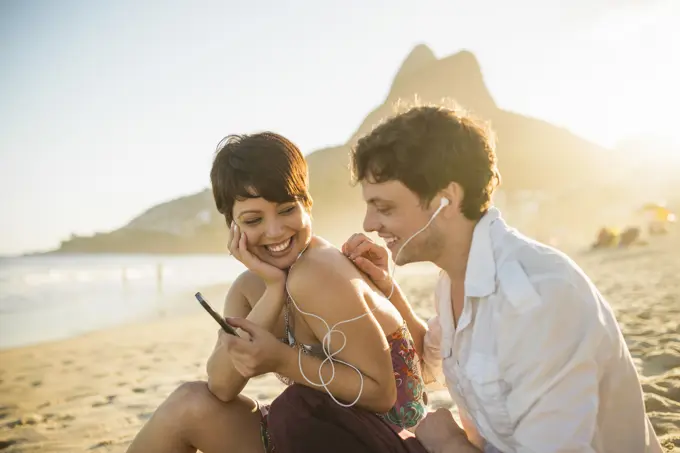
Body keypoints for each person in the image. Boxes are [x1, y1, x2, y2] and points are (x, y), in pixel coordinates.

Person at [269, 104, 663, 453]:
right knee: (306, 413)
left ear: (447, 199)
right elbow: (431, 368)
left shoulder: (536, 299)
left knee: (299, 416)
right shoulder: (458, 278)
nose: (371, 225)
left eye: (384, 207)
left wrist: (448, 441)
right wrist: (388, 293)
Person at [125, 132, 428, 453]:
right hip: (319, 428)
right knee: (188, 403)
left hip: (385, 434)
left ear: (307, 204)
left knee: (289, 407)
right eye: (254, 219)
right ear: (233, 226)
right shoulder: (250, 288)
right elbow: (221, 386)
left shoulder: (318, 271)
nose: (275, 231)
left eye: (286, 210)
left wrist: (281, 359)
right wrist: (272, 289)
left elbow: (382, 394)